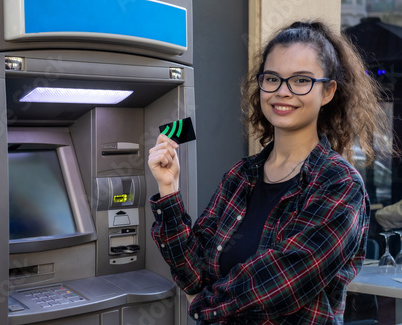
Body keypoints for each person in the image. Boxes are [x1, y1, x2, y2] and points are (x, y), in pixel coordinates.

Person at [147, 20, 392, 324]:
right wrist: (169, 190)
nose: (282, 92)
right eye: (272, 78)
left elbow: (282, 282)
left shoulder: (339, 184)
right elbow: (194, 271)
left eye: (301, 80)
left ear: (328, 91)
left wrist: (202, 305)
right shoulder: (240, 176)